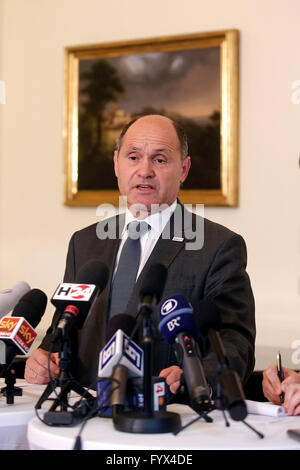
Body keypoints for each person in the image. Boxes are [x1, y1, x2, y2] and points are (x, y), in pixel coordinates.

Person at [25, 114, 255, 399]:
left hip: (164, 418)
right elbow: (66, 324)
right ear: (116, 164)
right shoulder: (84, 242)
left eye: (159, 160)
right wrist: (46, 355)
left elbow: (236, 343)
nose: (144, 170)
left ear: (183, 169)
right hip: (83, 413)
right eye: (133, 157)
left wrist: (195, 376)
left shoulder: (217, 246)